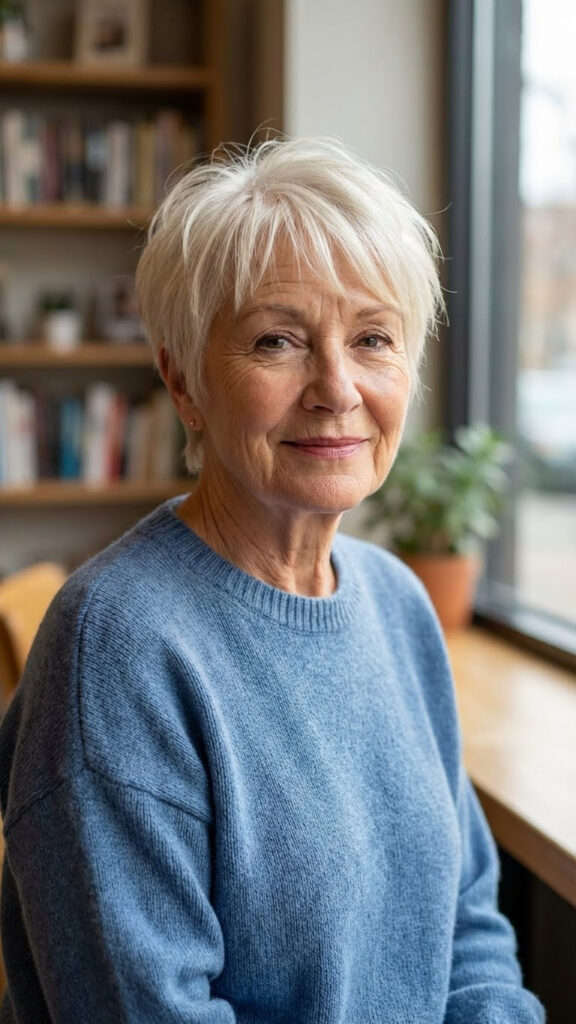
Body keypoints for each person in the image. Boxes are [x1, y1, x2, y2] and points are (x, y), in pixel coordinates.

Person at [0, 138, 544, 1024]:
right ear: (184, 383)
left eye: (374, 338)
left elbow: (467, 929)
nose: (337, 388)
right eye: (277, 340)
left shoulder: (399, 602)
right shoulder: (117, 649)